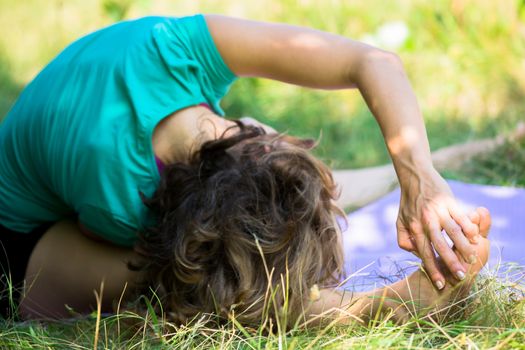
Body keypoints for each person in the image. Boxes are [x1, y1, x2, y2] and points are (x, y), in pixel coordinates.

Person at [0, 14, 492, 325]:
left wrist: (419, 175)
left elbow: (372, 61)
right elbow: (224, 288)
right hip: (17, 240)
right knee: (212, 290)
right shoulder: (118, 196)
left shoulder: (181, 50)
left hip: (83, 161)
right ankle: (387, 305)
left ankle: (441, 165)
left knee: (239, 252)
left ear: (258, 135)